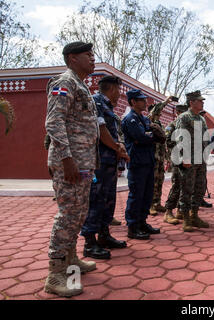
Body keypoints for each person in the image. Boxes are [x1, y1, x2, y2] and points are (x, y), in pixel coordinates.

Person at [44, 41, 98, 297]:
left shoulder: (80, 85)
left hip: (83, 162)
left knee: (79, 213)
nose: (93, 59)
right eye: (88, 55)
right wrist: (66, 159)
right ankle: (55, 274)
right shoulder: (64, 82)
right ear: (72, 58)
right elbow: (54, 122)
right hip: (70, 163)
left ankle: (70, 260)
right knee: (67, 215)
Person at [80, 76, 129, 260]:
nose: (120, 94)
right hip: (98, 162)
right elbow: (101, 131)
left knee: (107, 200)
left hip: (108, 162)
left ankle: (104, 236)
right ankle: (89, 243)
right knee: (96, 199)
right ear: (112, 89)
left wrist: (118, 148)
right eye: (118, 89)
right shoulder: (96, 101)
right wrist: (117, 147)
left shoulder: (108, 106)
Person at [122, 89, 164, 239]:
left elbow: (154, 136)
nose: (145, 102)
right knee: (136, 195)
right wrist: (149, 136)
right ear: (133, 102)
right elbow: (140, 136)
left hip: (148, 161)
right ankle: (133, 227)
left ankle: (142, 222)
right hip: (137, 162)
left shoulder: (144, 119)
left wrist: (148, 135)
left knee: (147, 194)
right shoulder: (130, 119)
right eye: (141, 100)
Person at [175, 90, 210, 232]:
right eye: (200, 100)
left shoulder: (201, 119)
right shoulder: (184, 117)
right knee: (187, 189)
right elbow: (180, 138)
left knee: (200, 188)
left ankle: (194, 215)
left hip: (200, 159)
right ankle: (186, 218)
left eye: (202, 101)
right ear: (191, 102)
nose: (202, 102)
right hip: (189, 159)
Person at [148, 96, 175, 216]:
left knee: (159, 180)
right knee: (152, 181)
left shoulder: (159, 124)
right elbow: (157, 109)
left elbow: (164, 142)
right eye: (158, 112)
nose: (160, 114)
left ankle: (157, 203)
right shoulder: (150, 120)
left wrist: (167, 158)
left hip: (160, 157)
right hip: (152, 157)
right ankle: (149, 205)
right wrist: (166, 102)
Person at [163, 104, 189, 224]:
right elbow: (168, 142)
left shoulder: (186, 125)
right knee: (177, 184)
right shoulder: (172, 126)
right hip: (177, 159)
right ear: (178, 113)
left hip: (187, 159)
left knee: (185, 185)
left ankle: (180, 210)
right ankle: (168, 212)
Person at [198, 109, 213, 208]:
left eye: (203, 115)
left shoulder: (203, 126)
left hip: (202, 156)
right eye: (201, 114)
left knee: (202, 179)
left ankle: (200, 199)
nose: (203, 116)